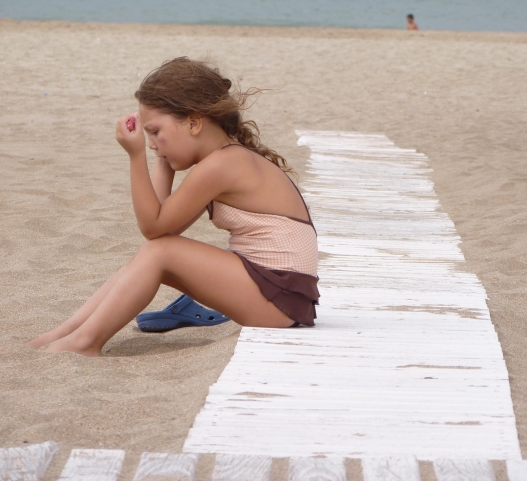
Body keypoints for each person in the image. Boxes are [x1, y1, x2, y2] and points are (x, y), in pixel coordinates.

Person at [29, 57, 319, 357]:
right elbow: (163, 230)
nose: (152, 143)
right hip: (279, 294)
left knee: (159, 253)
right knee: (156, 252)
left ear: (193, 122)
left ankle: (84, 342)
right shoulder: (223, 159)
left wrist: (136, 156)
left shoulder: (222, 165)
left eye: (155, 132)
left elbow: (153, 227)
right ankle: (70, 331)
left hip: (278, 296)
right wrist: (162, 161)